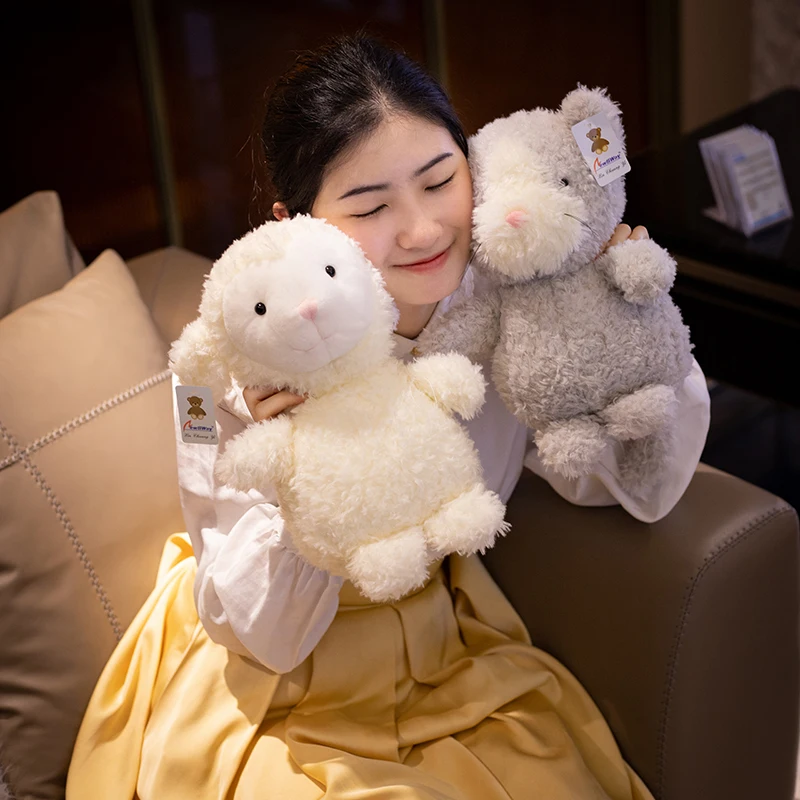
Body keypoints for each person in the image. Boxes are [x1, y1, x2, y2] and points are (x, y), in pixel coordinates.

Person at [67, 35, 710, 799]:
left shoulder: (508, 298)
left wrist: (626, 337)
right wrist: (313, 465)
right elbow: (262, 635)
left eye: (440, 181)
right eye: (371, 206)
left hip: (444, 651)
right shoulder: (231, 361)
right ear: (294, 223)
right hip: (271, 683)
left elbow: (636, 487)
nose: (423, 230)